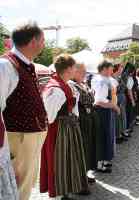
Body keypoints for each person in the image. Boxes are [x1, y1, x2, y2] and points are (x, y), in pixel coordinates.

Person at [1, 21, 47, 200]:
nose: (44, 44)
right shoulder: (5, 65)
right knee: (16, 189)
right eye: (42, 40)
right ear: (33, 41)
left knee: (25, 187)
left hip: (28, 138)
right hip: (17, 139)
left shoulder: (26, 64)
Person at [40, 54, 89, 199]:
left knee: (69, 159)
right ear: (68, 69)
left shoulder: (65, 84)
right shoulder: (55, 89)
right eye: (74, 67)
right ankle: (60, 192)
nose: (76, 70)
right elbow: (49, 116)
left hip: (67, 128)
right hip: (59, 130)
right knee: (59, 160)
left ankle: (68, 189)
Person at [69, 63, 96, 183]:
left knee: (88, 144)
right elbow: (84, 100)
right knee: (81, 146)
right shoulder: (71, 84)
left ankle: (85, 171)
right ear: (74, 72)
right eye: (82, 71)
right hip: (80, 118)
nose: (85, 74)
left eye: (85, 71)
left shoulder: (83, 84)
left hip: (88, 117)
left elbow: (91, 99)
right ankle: (79, 175)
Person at [92, 61, 120, 173]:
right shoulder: (100, 80)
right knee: (102, 136)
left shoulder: (104, 79)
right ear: (104, 69)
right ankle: (99, 163)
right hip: (102, 111)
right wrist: (114, 106)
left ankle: (104, 160)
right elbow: (99, 101)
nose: (112, 71)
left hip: (107, 111)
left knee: (107, 135)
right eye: (110, 69)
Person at [112, 63, 128, 144]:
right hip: (116, 98)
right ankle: (117, 135)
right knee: (117, 117)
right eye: (121, 68)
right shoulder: (112, 78)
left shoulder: (119, 77)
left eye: (122, 68)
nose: (122, 69)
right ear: (117, 69)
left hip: (121, 98)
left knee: (121, 116)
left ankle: (121, 133)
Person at [125, 63, 137, 133]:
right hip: (128, 97)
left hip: (127, 96)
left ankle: (128, 127)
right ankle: (128, 128)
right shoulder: (128, 77)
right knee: (129, 113)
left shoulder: (126, 76)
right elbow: (129, 90)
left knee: (128, 113)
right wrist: (132, 100)